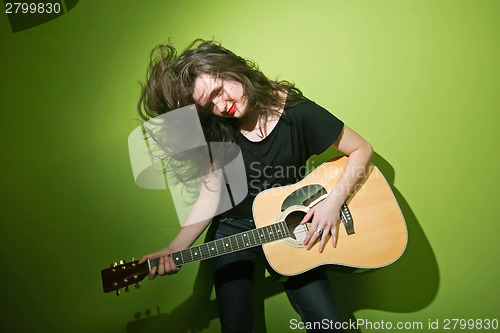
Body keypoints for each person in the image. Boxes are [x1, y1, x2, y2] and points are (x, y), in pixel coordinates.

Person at [137, 39, 373, 333]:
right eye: (210, 105)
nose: (222, 106)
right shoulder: (218, 128)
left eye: (219, 91)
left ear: (232, 69)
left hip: (288, 227)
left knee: (329, 324)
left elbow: (361, 150)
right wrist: (175, 247)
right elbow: (211, 197)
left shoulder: (298, 113)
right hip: (231, 229)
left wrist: (332, 204)